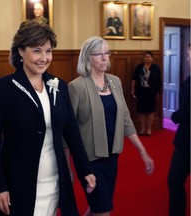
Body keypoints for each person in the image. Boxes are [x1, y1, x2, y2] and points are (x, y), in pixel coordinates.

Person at [0, 20, 96, 216]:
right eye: (37, 51)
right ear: (20, 51)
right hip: (19, 179)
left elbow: (71, 132)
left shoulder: (59, 86)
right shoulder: (2, 89)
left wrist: (84, 169)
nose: (44, 58)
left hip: (54, 178)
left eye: (48, 51)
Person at [68, 36, 154, 216]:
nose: (104, 58)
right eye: (98, 54)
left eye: (107, 53)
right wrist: (68, 164)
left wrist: (142, 151)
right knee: (103, 210)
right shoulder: (76, 87)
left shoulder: (115, 82)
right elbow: (69, 130)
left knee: (99, 205)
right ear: (87, 57)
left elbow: (126, 120)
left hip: (112, 156)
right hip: (89, 160)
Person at [167, 43, 190, 216]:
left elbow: (186, 113)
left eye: (190, 54)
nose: (188, 58)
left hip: (187, 142)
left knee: (174, 180)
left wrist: (174, 117)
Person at [131, 51, 162, 136]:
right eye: (145, 57)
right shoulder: (139, 67)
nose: (147, 58)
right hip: (140, 92)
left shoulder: (155, 68)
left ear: (152, 58)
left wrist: (158, 92)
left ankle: (149, 129)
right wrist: (132, 90)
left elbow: (159, 81)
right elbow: (134, 79)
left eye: (149, 57)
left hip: (152, 93)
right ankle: (142, 128)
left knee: (150, 111)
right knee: (141, 111)